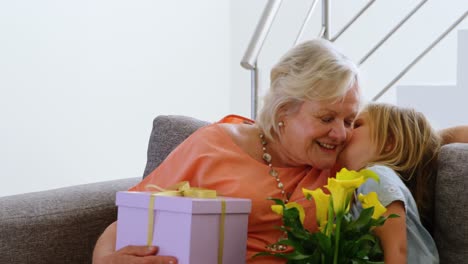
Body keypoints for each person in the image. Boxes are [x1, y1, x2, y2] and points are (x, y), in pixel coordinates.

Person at [92, 38, 362, 264]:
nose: (340, 134)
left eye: (349, 121)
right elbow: (130, 219)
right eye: (326, 119)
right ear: (284, 112)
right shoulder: (214, 146)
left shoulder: (346, 155)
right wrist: (104, 259)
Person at [339, 102, 468, 264]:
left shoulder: (376, 176)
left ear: (389, 142)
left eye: (356, 125)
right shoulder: (363, 184)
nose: (345, 133)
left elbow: (397, 249)